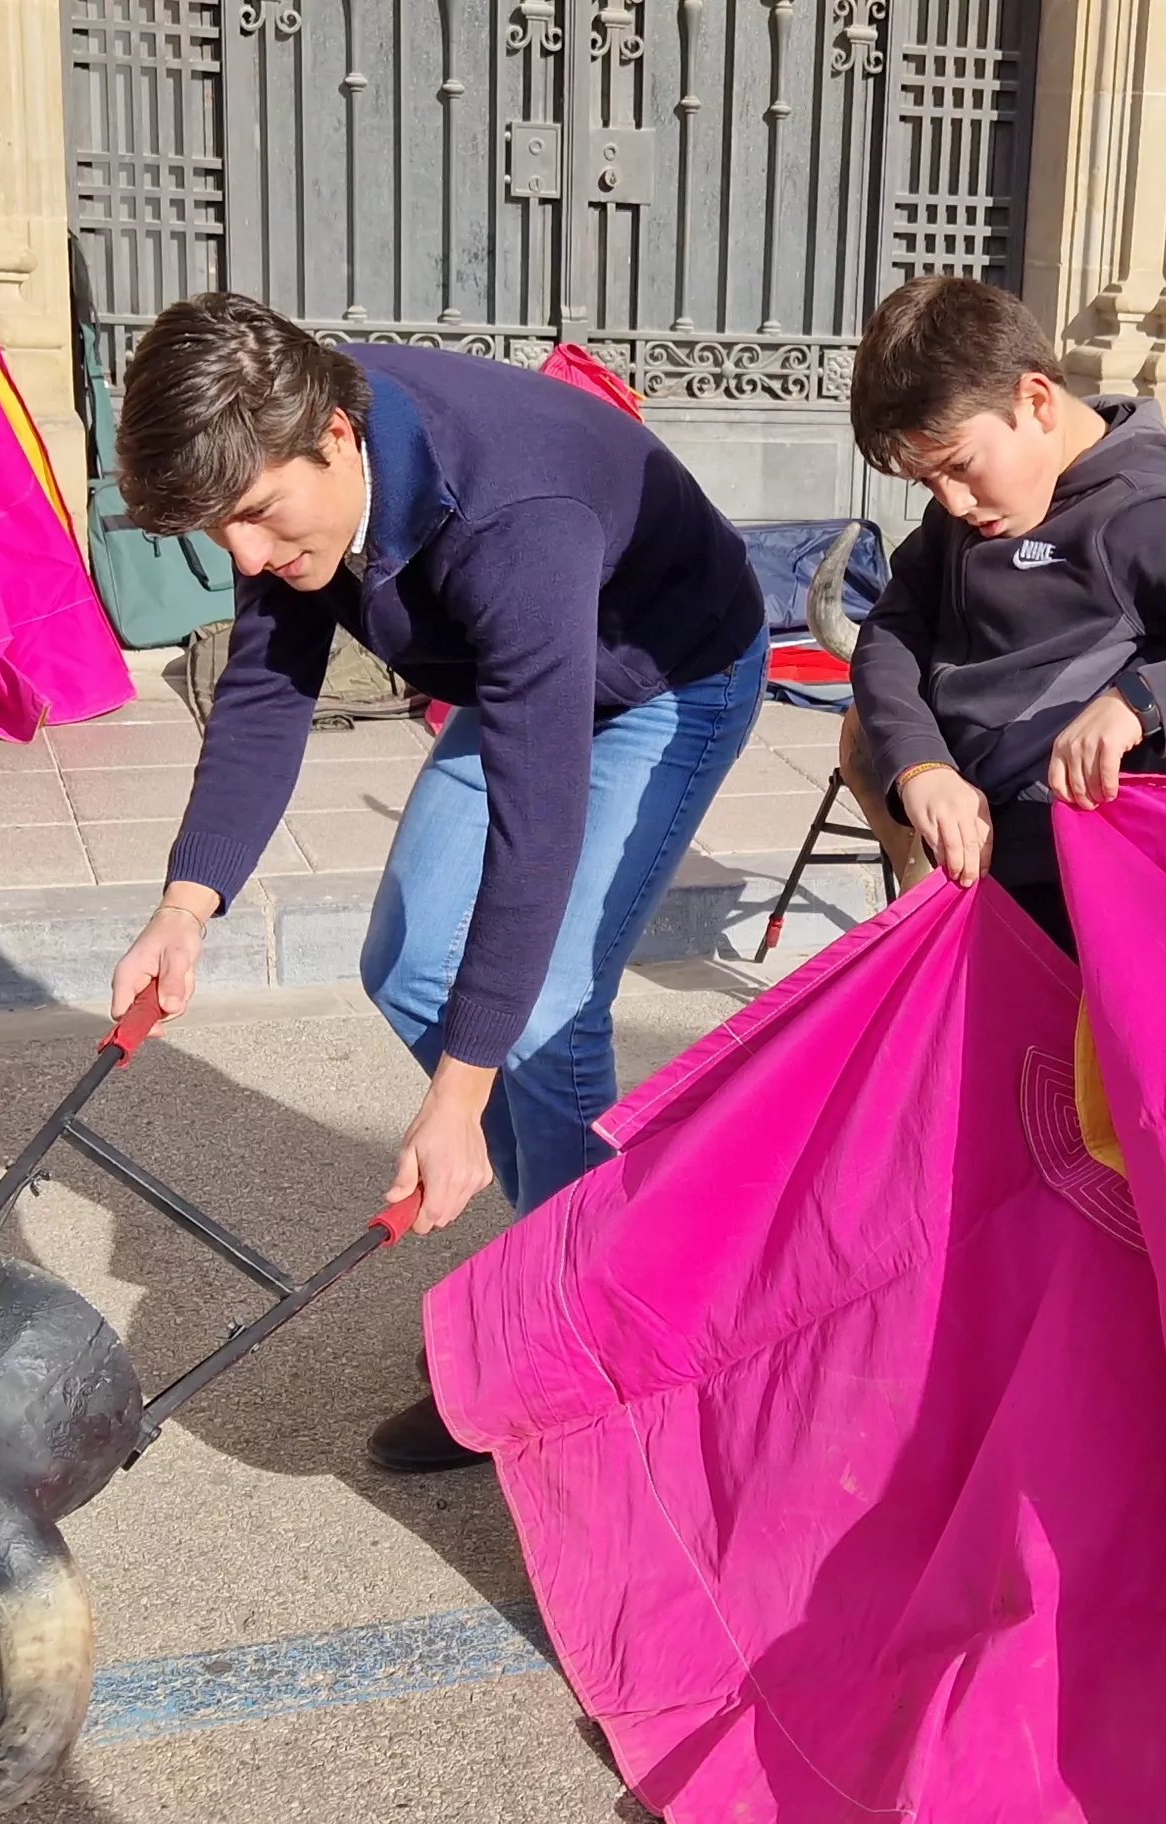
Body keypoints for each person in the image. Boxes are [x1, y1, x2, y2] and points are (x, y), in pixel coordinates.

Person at [107, 293, 770, 1473]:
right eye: (218, 531)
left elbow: (535, 826)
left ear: (337, 438)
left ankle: (572, 1343)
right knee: (407, 963)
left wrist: (459, 1098)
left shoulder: (515, 517)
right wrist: (184, 906)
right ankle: (582, 1258)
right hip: (530, 666)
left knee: (548, 1013)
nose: (245, 557)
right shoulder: (282, 431)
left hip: (665, 677)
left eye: (255, 517)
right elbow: (266, 690)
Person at [844, 275, 1166, 952]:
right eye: (928, 481)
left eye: (961, 466)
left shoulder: (1145, 519)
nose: (952, 502)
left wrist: (1147, 700)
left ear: (1036, 402)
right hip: (968, 867)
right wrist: (921, 765)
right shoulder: (976, 505)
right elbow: (892, 628)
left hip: (1073, 891)